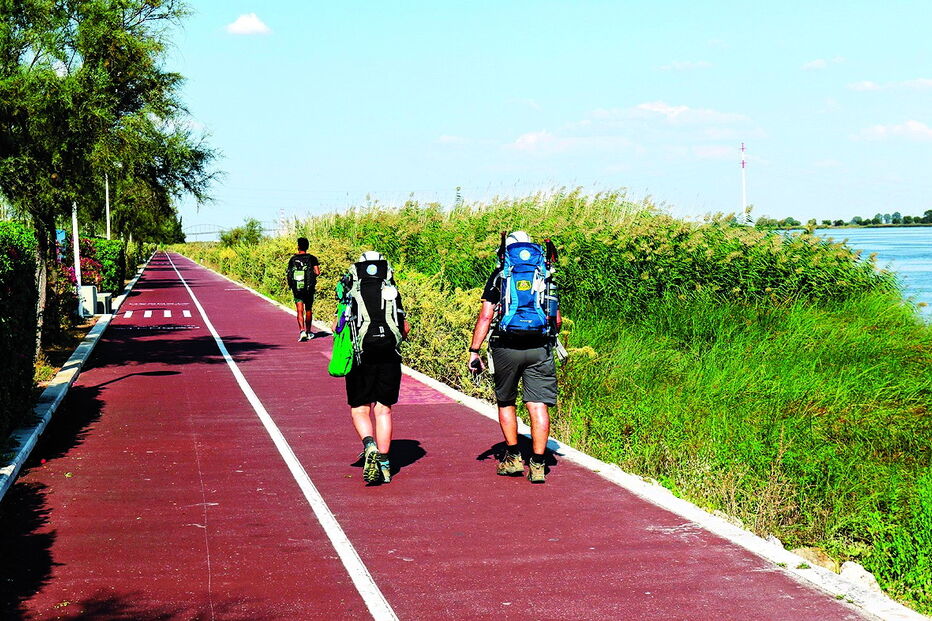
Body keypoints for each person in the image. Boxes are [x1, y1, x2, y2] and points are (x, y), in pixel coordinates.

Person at [468, 231, 561, 484]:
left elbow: (486, 316)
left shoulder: (501, 274)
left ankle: (513, 458)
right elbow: (556, 319)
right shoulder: (544, 273)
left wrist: (474, 350)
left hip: (506, 347)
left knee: (506, 402)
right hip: (539, 347)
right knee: (538, 405)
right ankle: (538, 464)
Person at [333, 251, 411, 485]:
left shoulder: (350, 290)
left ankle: (369, 446)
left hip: (360, 356)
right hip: (389, 354)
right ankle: (385, 464)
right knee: (383, 410)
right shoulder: (391, 290)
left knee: (360, 409)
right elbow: (404, 328)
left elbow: (338, 327)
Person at [286, 237, 320, 341]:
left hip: (297, 288)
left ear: (298, 246)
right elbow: (317, 272)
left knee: (299, 310)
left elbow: (289, 273)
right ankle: (309, 331)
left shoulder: (293, 259)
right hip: (309, 288)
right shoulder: (312, 258)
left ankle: (302, 331)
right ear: (307, 246)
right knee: (308, 309)